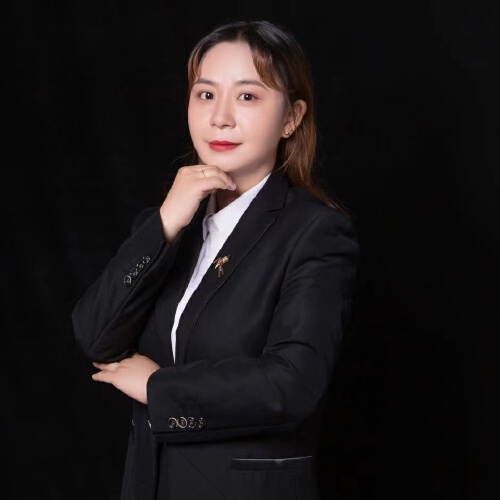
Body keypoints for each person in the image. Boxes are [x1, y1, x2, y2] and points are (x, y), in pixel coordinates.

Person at [72, 19, 359, 500]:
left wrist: (159, 387)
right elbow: (96, 336)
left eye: (247, 96)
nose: (220, 117)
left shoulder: (315, 232)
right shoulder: (165, 223)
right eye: (206, 94)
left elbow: (292, 384)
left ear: (291, 118)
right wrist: (165, 223)